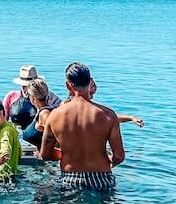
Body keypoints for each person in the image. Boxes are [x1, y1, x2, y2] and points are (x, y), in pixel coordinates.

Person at [39, 62, 125, 193]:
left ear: (68, 85)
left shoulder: (55, 116)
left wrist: (67, 155)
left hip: (69, 179)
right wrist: (109, 161)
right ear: (90, 82)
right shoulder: (108, 115)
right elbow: (119, 156)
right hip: (102, 179)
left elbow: (45, 154)